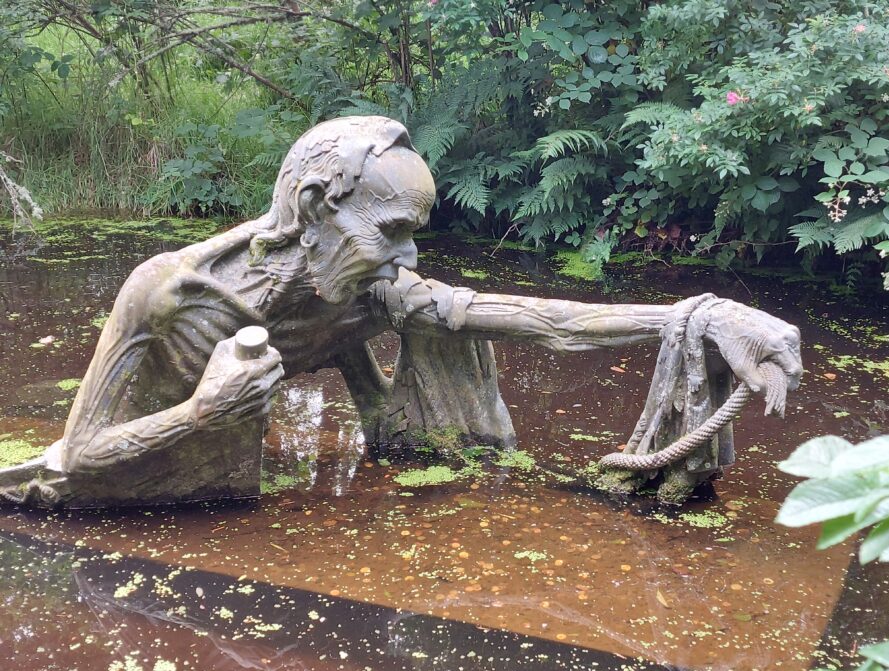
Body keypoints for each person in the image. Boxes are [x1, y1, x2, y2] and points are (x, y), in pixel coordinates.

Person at [0, 116, 802, 507]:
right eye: (390, 232)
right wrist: (205, 412)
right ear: (315, 205)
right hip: (134, 484)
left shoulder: (368, 292)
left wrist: (696, 315)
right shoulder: (167, 291)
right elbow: (83, 458)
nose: (408, 260)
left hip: (226, 484)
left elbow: (537, 319)